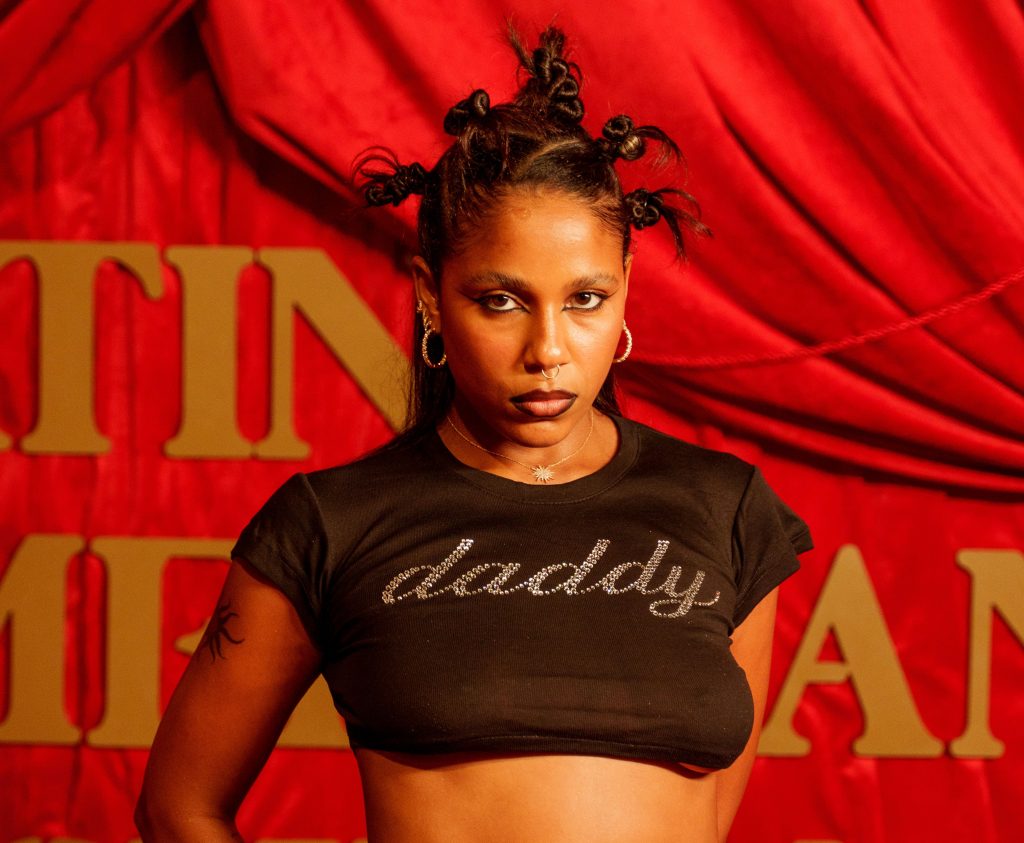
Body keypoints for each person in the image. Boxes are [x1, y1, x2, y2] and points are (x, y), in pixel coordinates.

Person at [135, 23, 814, 843]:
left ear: (626, 287)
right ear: (431, 294)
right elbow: (178, 808)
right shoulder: (332, 524)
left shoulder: (727, 511)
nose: (548, 349)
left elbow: (711, 819)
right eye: (502, 300)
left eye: (586, 299)